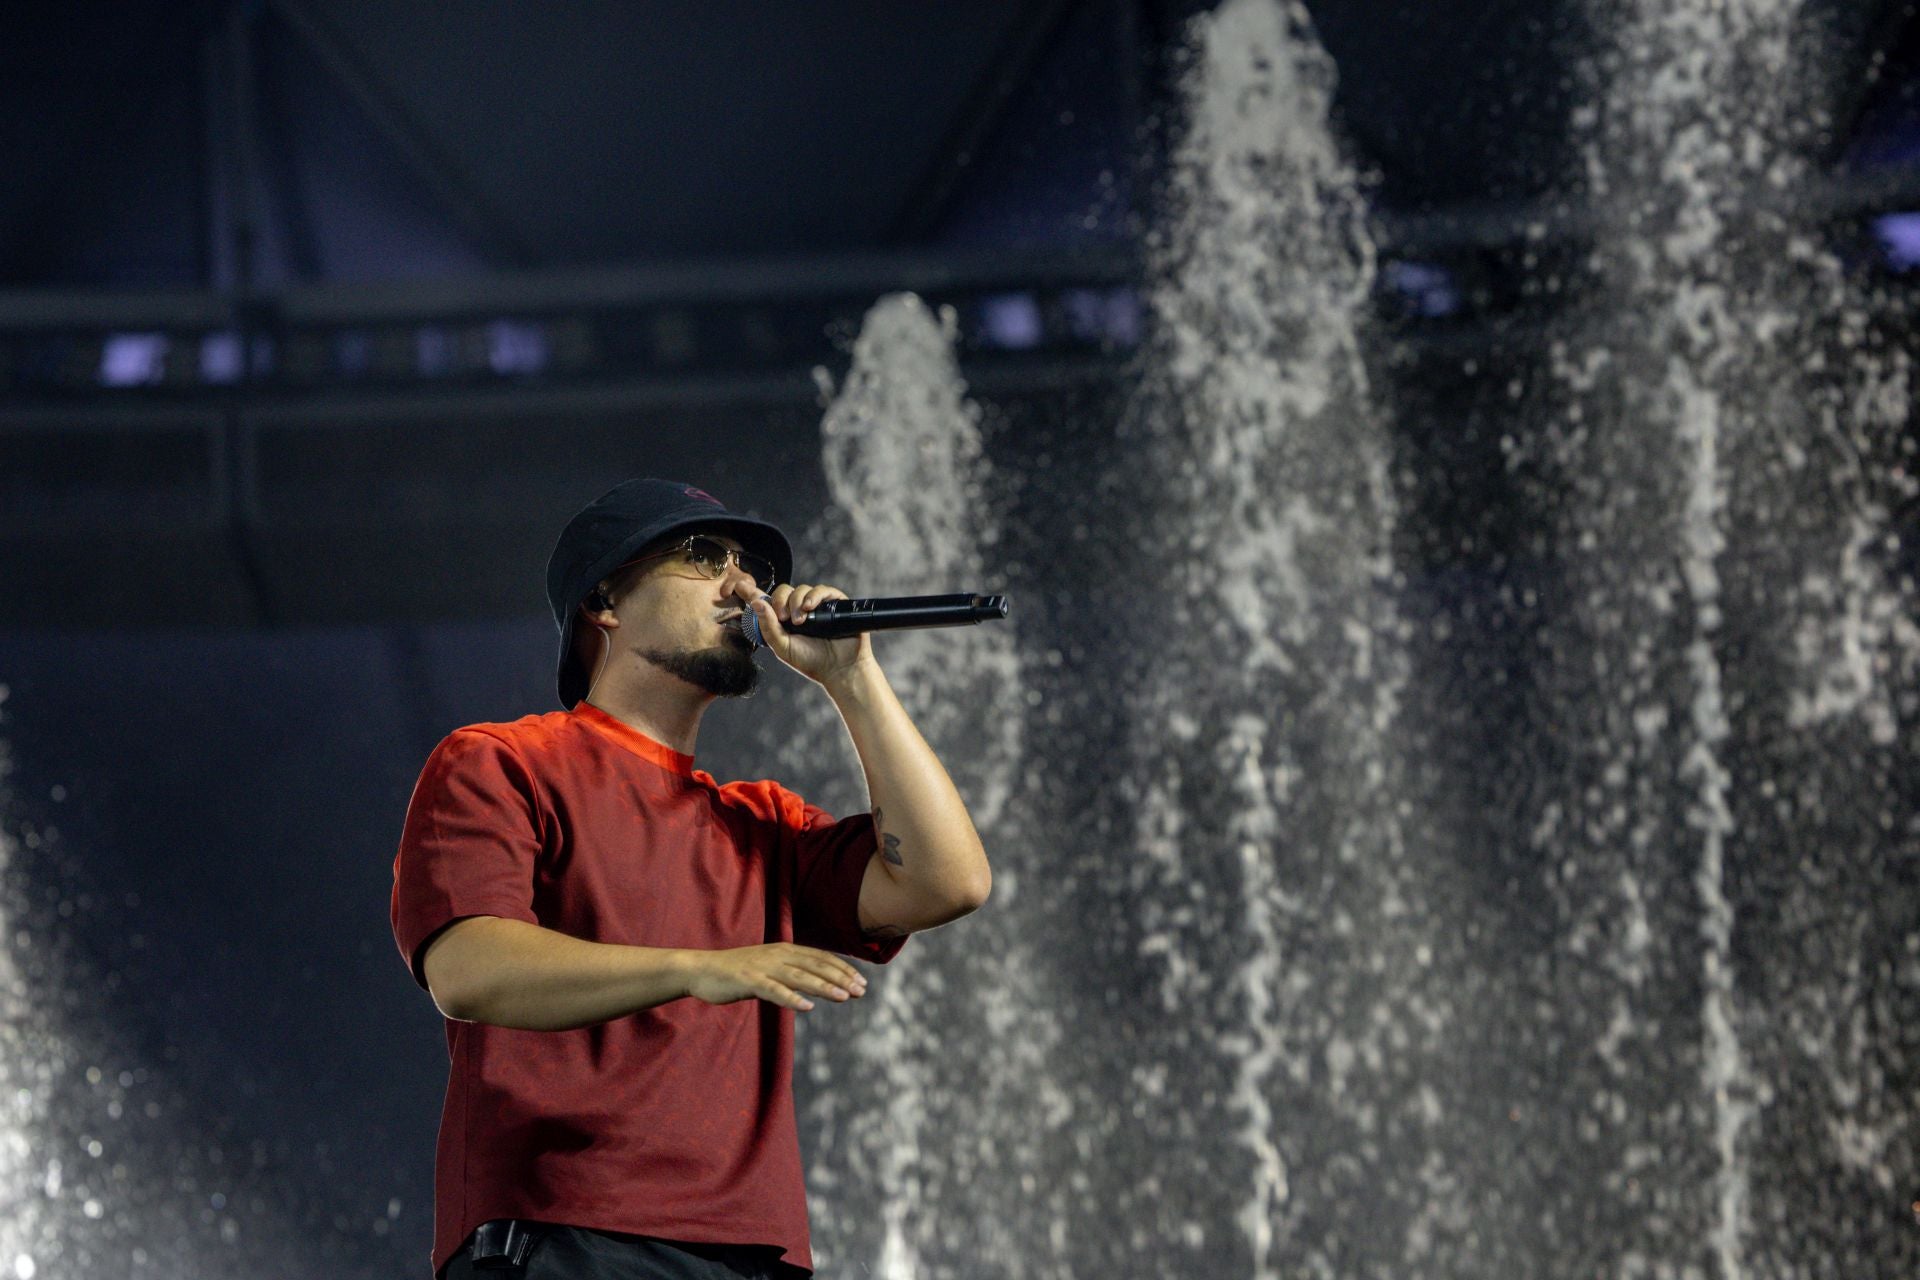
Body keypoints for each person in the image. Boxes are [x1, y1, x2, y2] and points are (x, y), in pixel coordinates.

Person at [390, 478, 991, 1279]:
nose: (744, 587)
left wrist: (854, 682)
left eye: (750, 569)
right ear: (605, 600)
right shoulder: (500, 762)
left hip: (754, 1256)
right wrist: (702, 968)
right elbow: (468, 971)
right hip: (566, 1241)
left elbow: (948, 883)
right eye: (704, 557)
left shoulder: (760, 823)